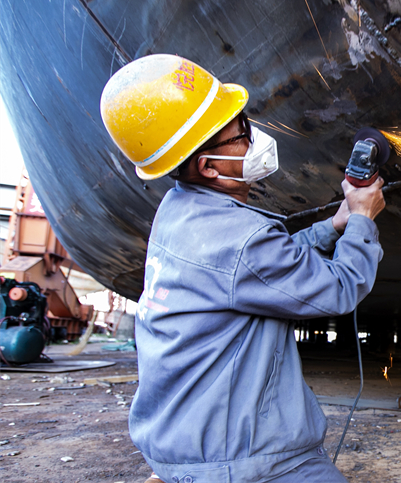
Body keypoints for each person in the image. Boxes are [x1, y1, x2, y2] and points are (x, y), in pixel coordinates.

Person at [100, 54, 385, 483]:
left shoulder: (178, 209)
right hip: (231, 459)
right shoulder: (240, 238)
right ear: (209, 166)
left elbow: (259, 270)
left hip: (176, 441)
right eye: (242, 135)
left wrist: (334, 225)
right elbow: (339, 288)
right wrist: (362, 219)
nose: (255, 141)